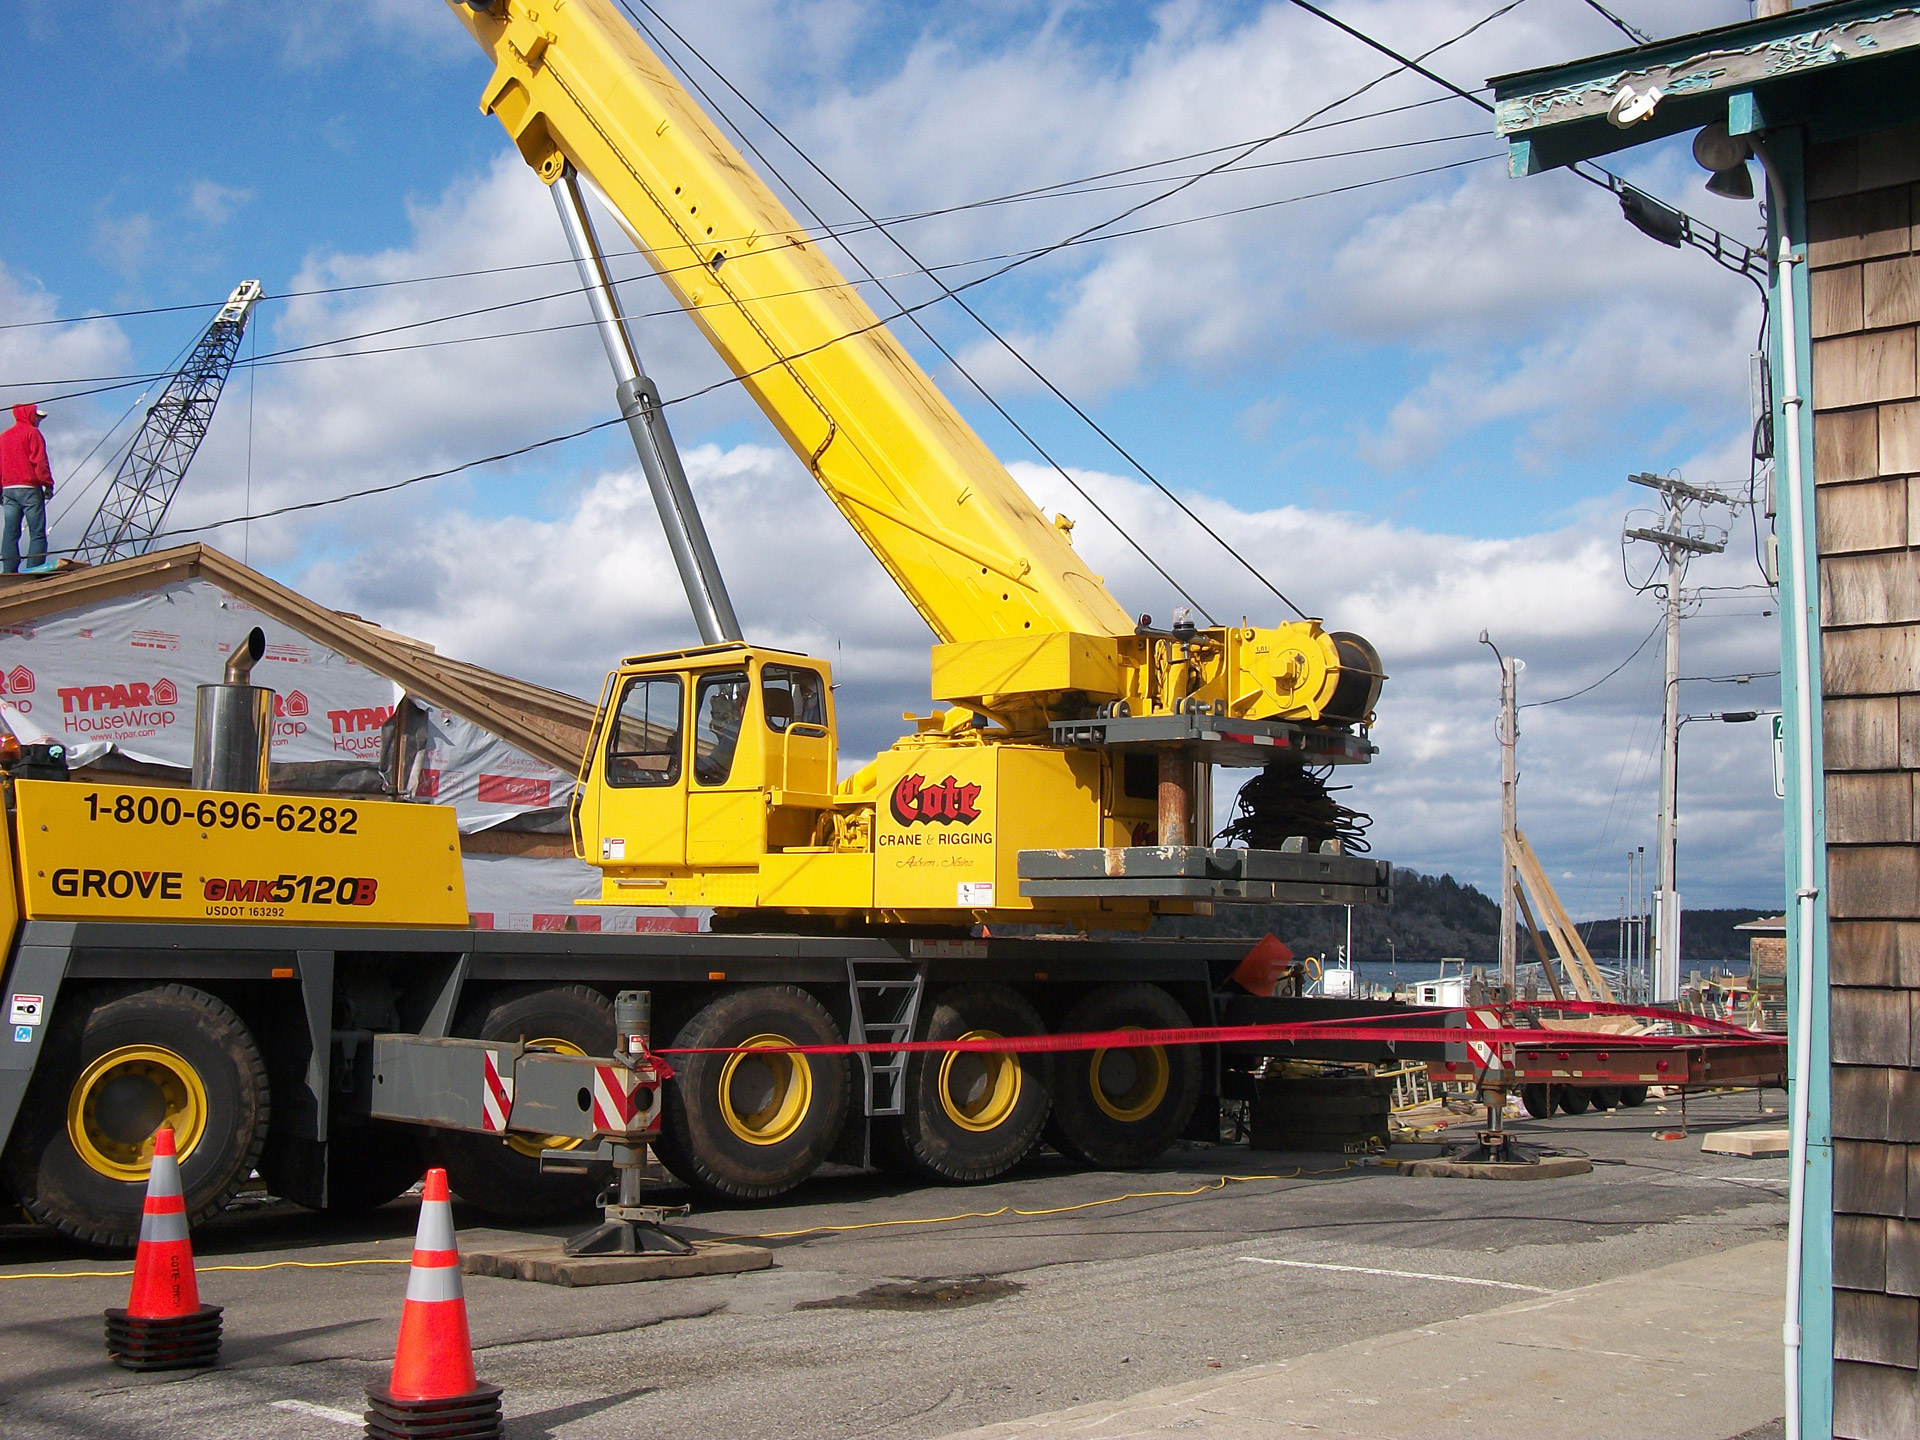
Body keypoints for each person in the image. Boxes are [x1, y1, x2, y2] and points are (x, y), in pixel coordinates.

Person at [0, 404, 52, 573]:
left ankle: (8, 571)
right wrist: (48, 484)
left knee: (10, 532)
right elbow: (40, 461)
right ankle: (34, 569)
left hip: (8, 489)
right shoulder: (32, 433)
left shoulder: (4, 436)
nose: (39, 420)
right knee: (37, 532)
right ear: (29, 415)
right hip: (29, 488)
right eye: (37, 416)